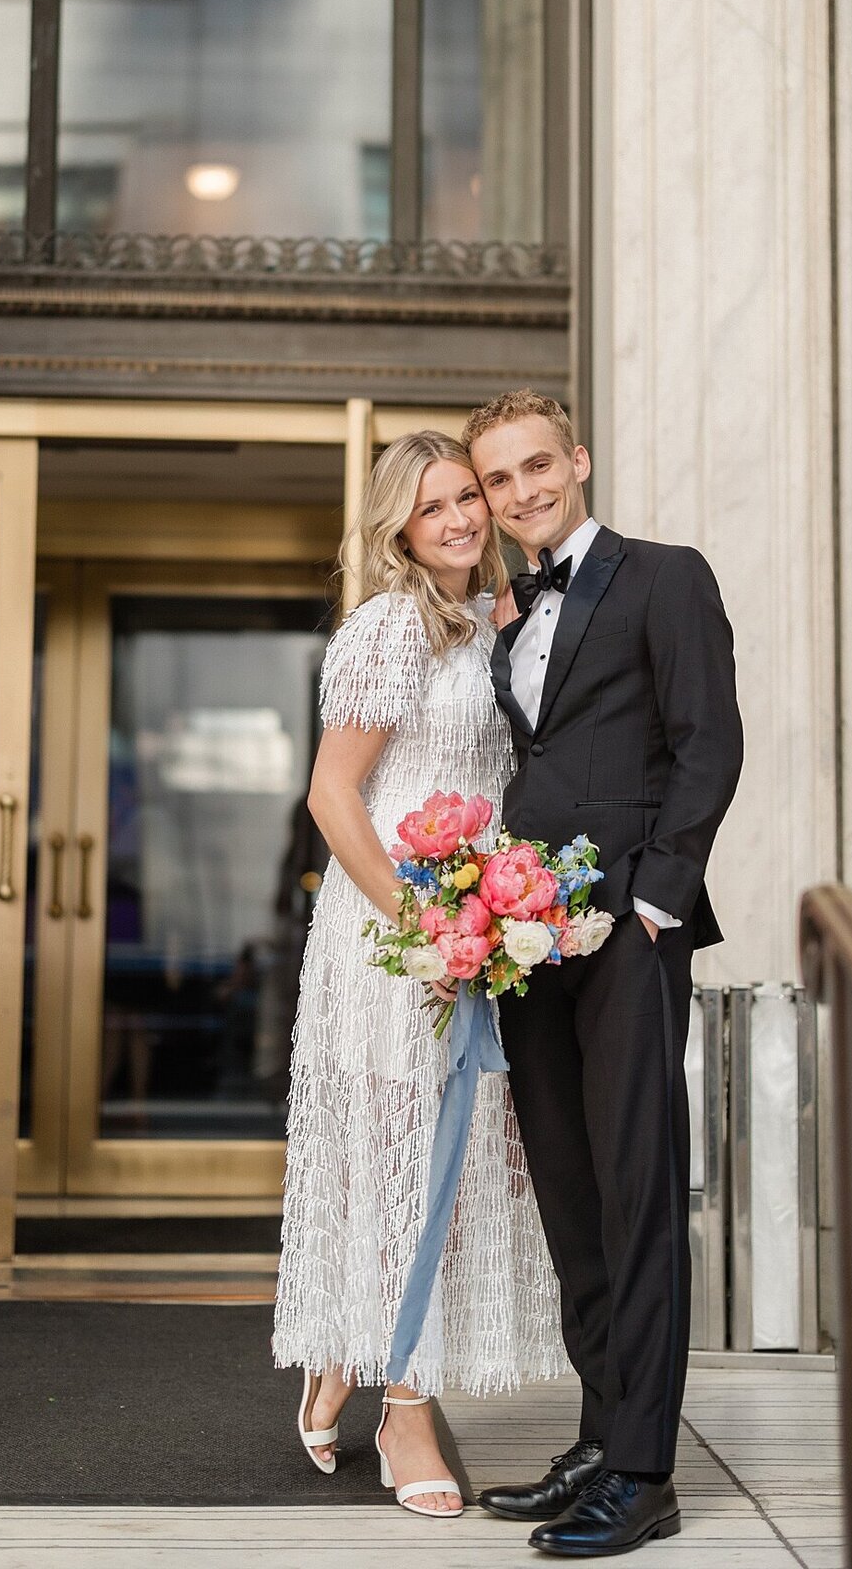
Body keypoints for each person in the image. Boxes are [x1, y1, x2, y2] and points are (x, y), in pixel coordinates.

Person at [465, 389, 744, 1558]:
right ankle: (598, 1432)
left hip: (625, 927)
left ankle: (645, 1470)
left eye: (538, 466)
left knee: (637, 1191)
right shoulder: (509, 612)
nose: (523, 491)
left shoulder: (664, 575)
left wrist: (653, 900)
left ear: (577, 460)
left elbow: (707, 741)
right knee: (571, 1192)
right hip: (525, 940)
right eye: (498, 481)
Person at [272, 430, 567, 1518]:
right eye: (433, 505)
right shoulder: (388, 627)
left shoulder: (503, 621)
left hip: (481, 927)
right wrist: (420, 929)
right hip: (391, 933)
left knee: (460, 1166)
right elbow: (333, 796)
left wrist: (494, 916)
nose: (458, 520)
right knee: (396, 1161)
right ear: (398, 524)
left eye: (468, 499)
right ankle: (403, 1406)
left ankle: (356, 1354)